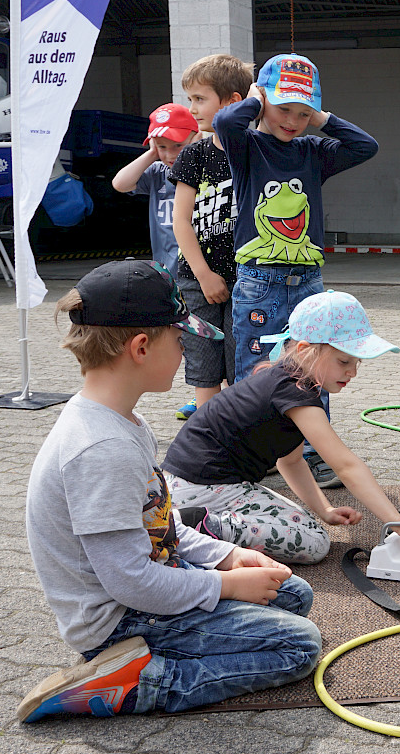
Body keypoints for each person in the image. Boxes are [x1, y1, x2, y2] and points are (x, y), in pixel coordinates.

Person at [18, 260, 321, 723]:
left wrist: (225, 557)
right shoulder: (101, 448)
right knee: (298, 645)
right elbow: (131, 581)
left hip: (147, 592)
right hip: (121, 620)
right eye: (180, 341)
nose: (185, 352)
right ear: (141, 347)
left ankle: (150, 659)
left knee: (293, 595)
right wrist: (224, 585)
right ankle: (135, 681)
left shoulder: (123, 422)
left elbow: (162, 522)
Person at [161, 290, 400, 564]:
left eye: (356, 362)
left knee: (303, 524)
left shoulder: (289, 383)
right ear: (304, 351)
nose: (353, 372)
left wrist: (324, 509)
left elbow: (290, 462)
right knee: (315, 543)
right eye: (344, 361)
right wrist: (396, 521)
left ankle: (198, 523)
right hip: (203, 487)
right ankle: (194, 526)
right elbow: (346, 465)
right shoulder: (295, 394)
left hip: (191, 484)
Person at [214, 52, 379, 489]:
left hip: (308, 282)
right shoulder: (247, 145)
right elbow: (226, 123)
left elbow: (365, 146)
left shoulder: (314, 150)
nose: (293, 119)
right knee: (256, 367)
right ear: (262, 101)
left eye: (302, 112)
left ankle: (313, 453)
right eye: (284, 108)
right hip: (259, 280)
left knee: (316, 367)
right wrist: (255, 99)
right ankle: (255, 452)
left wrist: (323, 119)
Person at [168, 54, 254, 421]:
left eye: (200, 99)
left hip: (249, 280)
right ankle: (210, 446)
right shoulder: (195, 155)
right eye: (190, 99)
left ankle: (242, 445)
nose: (192, 108)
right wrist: (203, 274)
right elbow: (181, 220)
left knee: (242, 367)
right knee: (204, 370)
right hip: (195, 279)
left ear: (233, 103)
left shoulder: (256, 151)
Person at [111, 103, 199, 271]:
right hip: (167, 271)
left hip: (200, 270)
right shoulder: (158, 173)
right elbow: (120, 183)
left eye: (177, 145)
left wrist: (194, 151)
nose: (170, 154)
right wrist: (152, 153)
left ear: (195, 137)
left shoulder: (206, 170)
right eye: (162, 147)